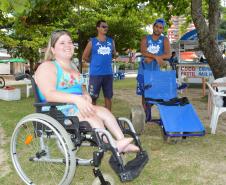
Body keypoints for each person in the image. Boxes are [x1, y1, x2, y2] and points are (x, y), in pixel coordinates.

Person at [35, 30, 139, 153]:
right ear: (53, 49)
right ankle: (114, 145)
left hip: (76, 105)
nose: (67, 45)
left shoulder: (73, 67)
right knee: (94, 119)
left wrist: (85, 95)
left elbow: (81, 87)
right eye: (62, 43)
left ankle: (122, 141)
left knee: (105, 112)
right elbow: (49, 94)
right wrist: (76, 99)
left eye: (70, 42)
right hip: (57, 109)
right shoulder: (48, 67)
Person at [136, 18, 171, 120]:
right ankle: (146, 116)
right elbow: (143, 52)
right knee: (144, 94)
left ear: (162, 29)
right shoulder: (145, 38)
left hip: (157, 72)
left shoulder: (165, 40)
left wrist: (152, 58)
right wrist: (156, 57)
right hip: (144, 70)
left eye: (160, 28)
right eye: (156, 26)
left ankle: (149, 111)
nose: (158, 29)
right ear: (153, 26)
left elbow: (168, 55)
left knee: (156, 94)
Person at [82, 20, 117, 111]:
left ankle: (109, 117)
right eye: (103, 26)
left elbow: (114, 53)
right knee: (93, 98)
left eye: (107, 27)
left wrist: (115, 55)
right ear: (98, 28)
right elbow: (84, 57)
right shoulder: (92, 42)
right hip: (95, 75)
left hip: (108, 74)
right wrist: (94, 62)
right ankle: (93, 117)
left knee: (108, 97)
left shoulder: (111, 41)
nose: (106, 28)